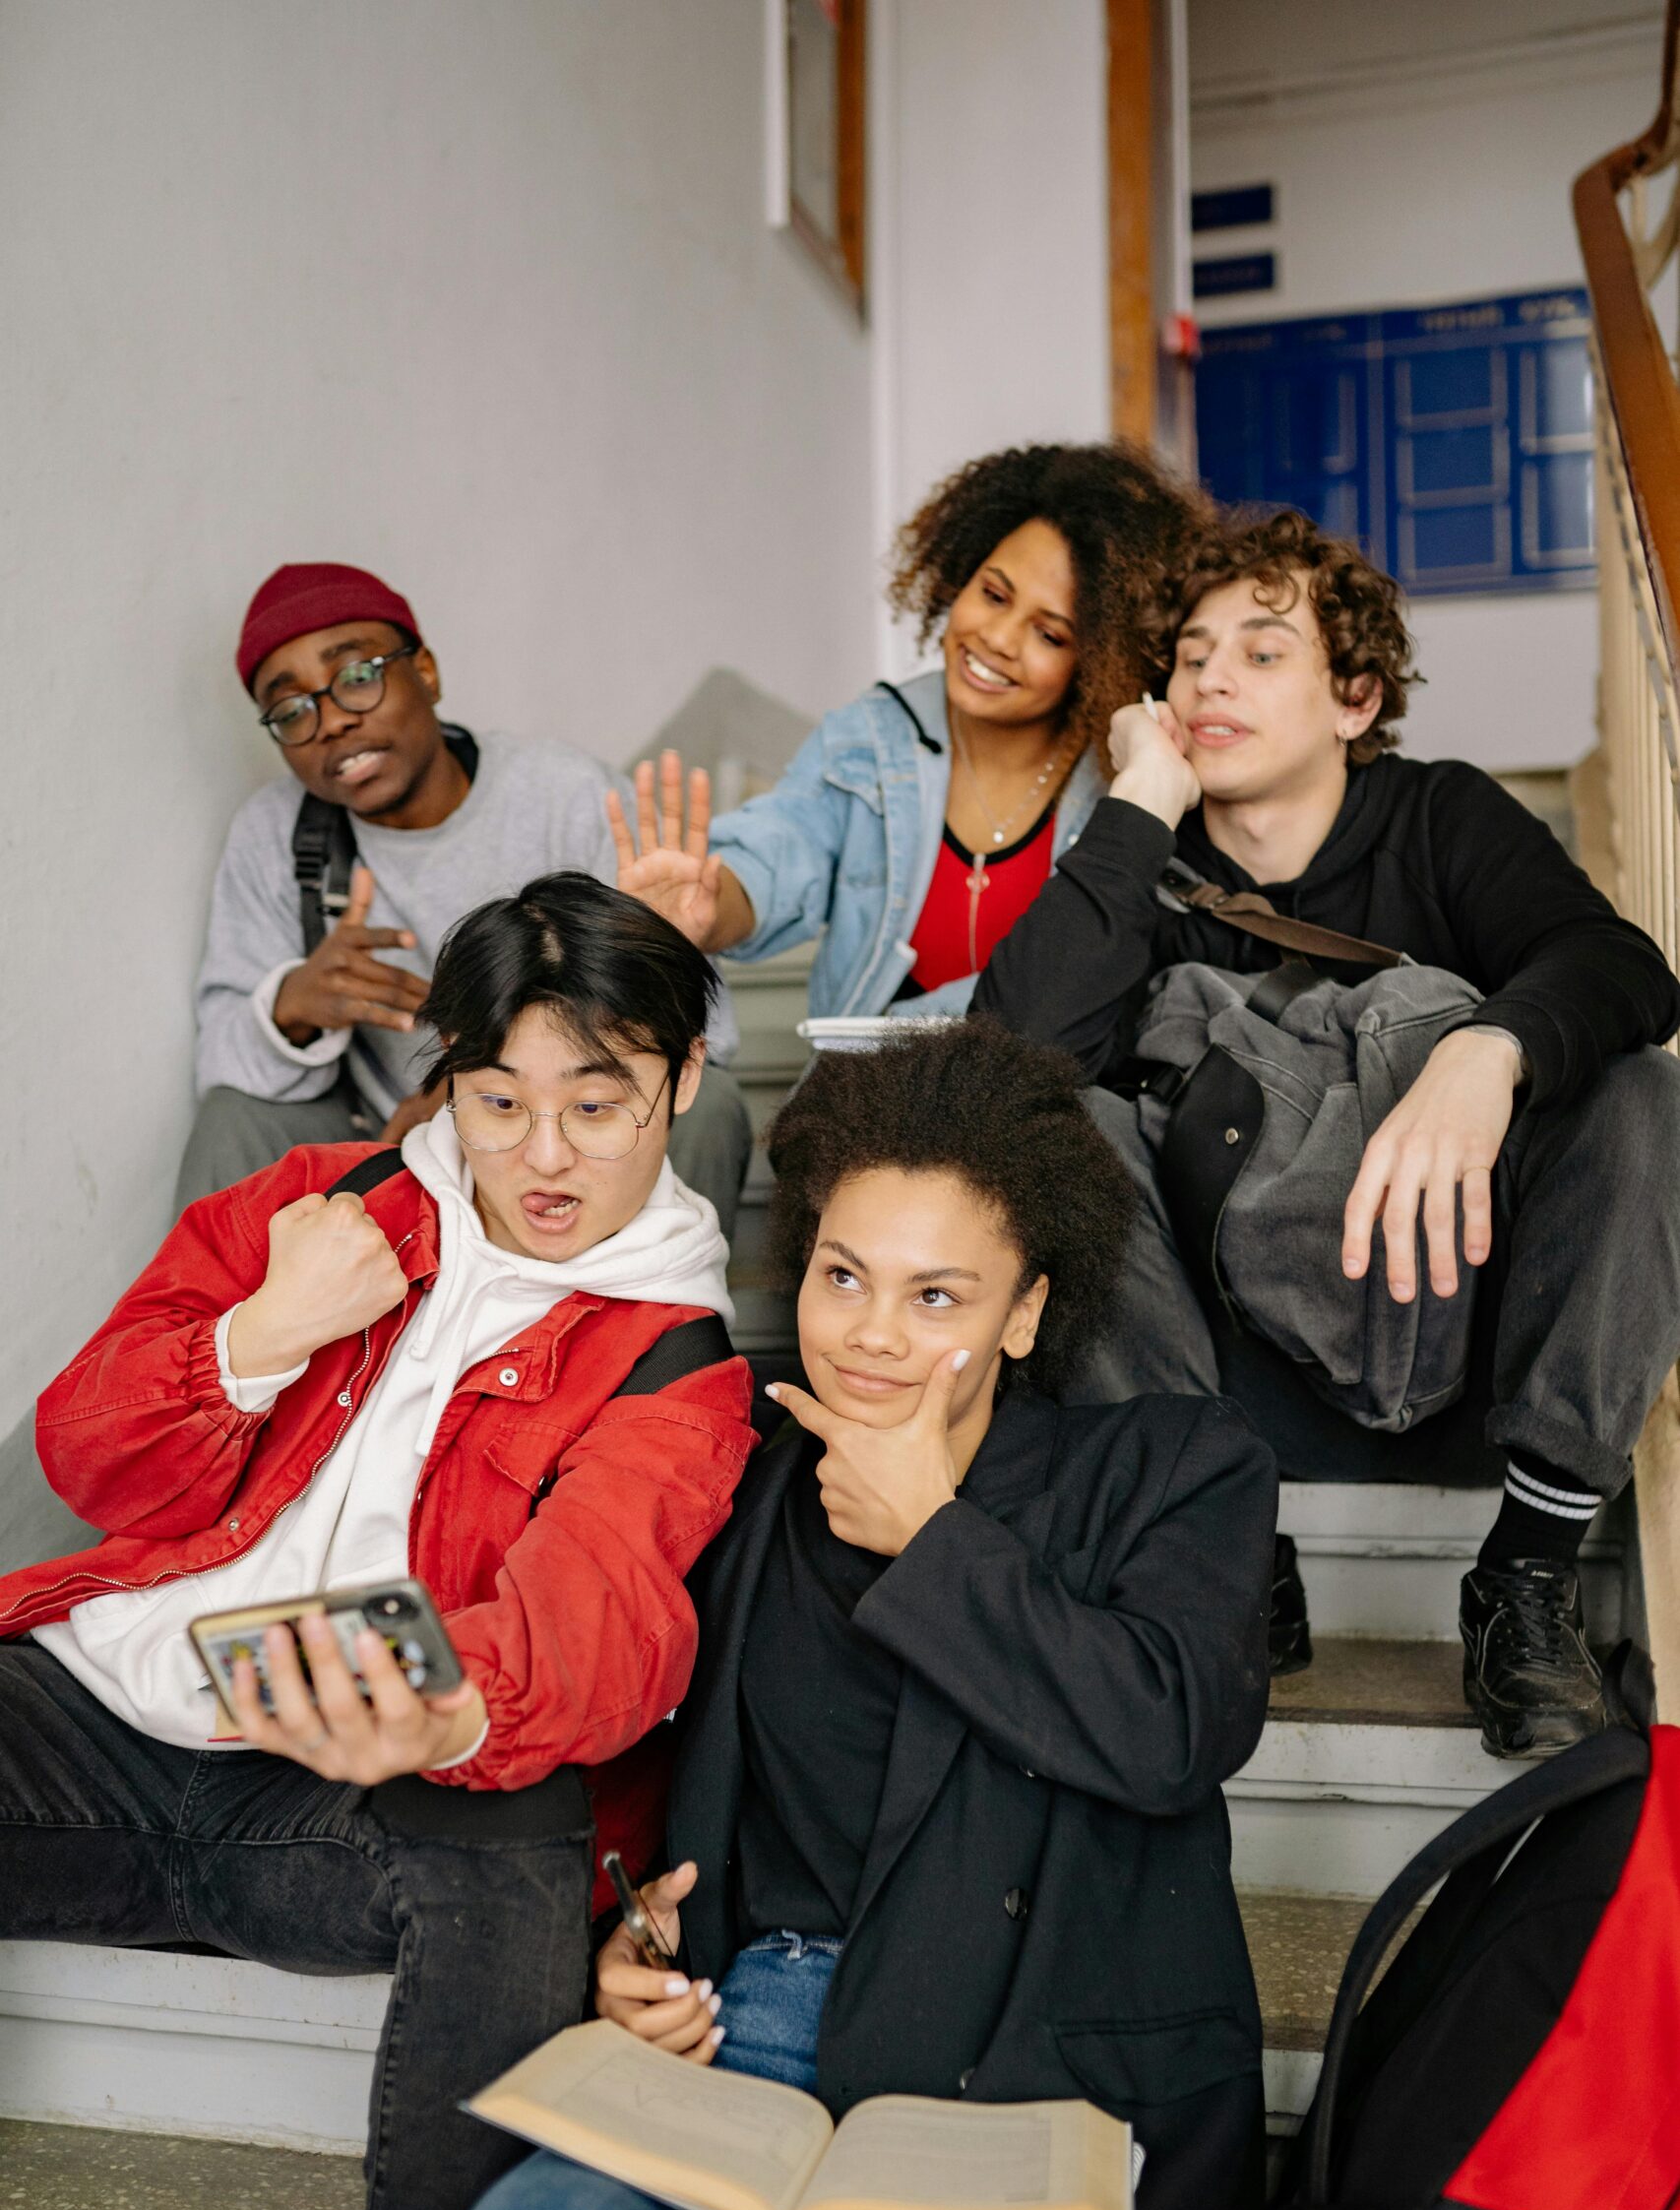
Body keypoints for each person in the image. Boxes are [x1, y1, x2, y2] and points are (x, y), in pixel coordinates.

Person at [339, 1018, 1277, 2210]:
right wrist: (630, 1942)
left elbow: (1166, 1730)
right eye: (842, 1276)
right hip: (744, 2053)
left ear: (1026, 1315)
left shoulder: (1169, 1472)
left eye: (936, 1296)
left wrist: (936, 1541)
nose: (871, 1334)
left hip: (1027, 2089)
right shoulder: (753, 1481)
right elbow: (646, 1745)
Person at [0, 873, 757, 2210]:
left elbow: (609, 1623)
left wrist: (450, 1713)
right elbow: (80, 1454)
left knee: (512, 1846)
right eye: (499, 1102)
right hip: (107, 1738)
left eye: (596, 1102)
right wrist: (256, 1337)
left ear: (684, 1085)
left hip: (338, 1808)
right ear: (451, 1082)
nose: (543, 1157)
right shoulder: (312, 1208)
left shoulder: (670, 1359)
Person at [975, 504, 1680, 1758]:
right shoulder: (1152, 859)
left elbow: (1619, 966)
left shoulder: (1438, 818)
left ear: (1354, 699)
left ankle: (1525, 1577)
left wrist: (1489, 1048)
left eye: (1261, 650)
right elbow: (1012, 1056)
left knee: (1642, 1093)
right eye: (1189, 656)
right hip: (1233, 1360)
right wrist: (1138, 799)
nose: (1211, 681)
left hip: (1462, 1328)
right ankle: (1226, 1534)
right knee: (1054, 1124)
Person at [176, 561, 753, 1234]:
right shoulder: (276, 832)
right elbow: (218, 1057)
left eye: (356, 676)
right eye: (291, 708)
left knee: (706, 1104)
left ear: (425, 672)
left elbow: (706, 1036)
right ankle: (197, 1339)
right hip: (378, 1132)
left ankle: (666, 1328)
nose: (329, 721)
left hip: (561, 1121)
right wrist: (292, 1007)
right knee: (233, 1117)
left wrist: (470, 1099)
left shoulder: (562, 795)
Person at [612, 442, 1203, 1018]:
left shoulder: (1117, 785)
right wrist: (710, 911)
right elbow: (780, 853)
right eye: (993, 594)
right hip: (861, 1106)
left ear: (1099, 661)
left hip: (1040, 1108)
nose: (998, 638)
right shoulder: (870, 739)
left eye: (1049, 634)